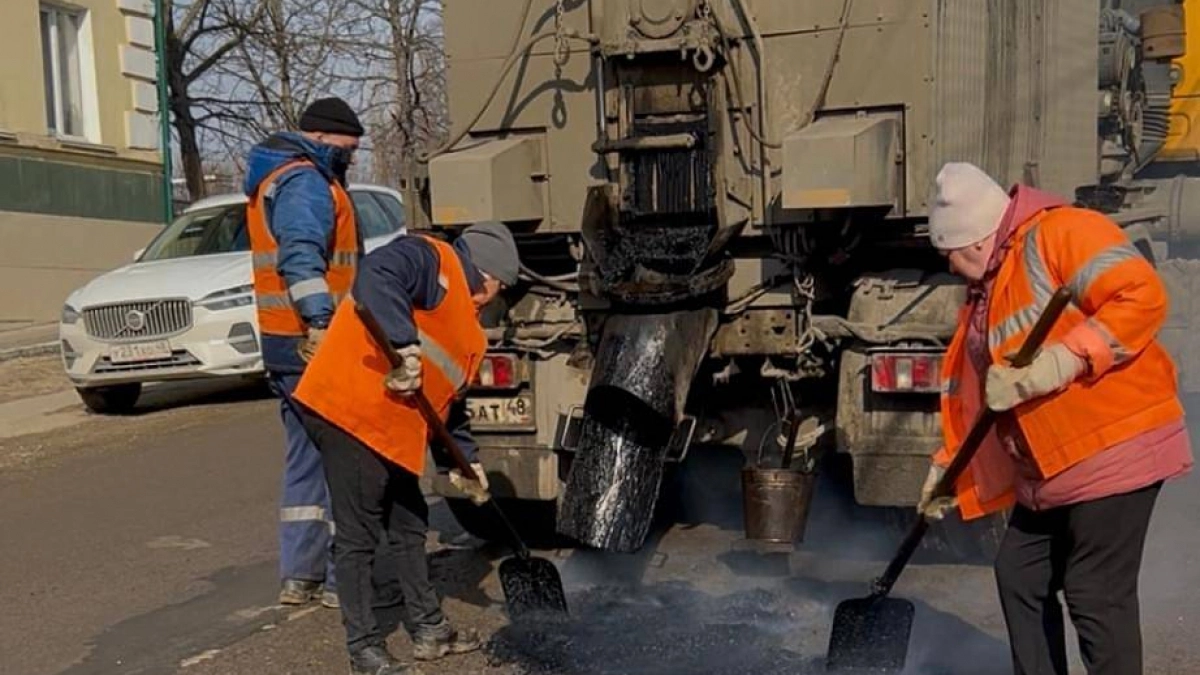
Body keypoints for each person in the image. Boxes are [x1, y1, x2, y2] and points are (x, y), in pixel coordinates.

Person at [916, 162, 1194, 675]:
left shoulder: (1063, 231)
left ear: (975, 240)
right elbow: (986, 396)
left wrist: (1060, 361)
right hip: (1051, 466)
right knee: (1019, 574)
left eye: (948, 253)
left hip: (1114, 444)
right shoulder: (988, 286)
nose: (949, 267)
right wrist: (950, 468)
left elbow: (1141, 295)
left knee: (1094, 591)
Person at [292, 223, 520, 675]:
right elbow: (375, 275)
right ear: (490, 277)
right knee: (359, 536)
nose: (496, 298)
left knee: (410, 521)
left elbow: (448, 407)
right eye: (500, 287)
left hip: (392, 429)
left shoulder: (472, 337)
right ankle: (364, 649)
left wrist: (463, 460)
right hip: (348, 411)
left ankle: (429, 628)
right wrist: (404, 344)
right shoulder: (432, 259)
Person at [245, 96, 365, 608]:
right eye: (348, 150)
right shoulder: (305, 183)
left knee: (305, 458)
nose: (350, 160)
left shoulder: (272, 178)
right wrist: (320, 322)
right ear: (321, 139)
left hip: (281, 343)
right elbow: (300, 257)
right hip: (317, 343)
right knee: (346, 458)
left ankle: (301, 576)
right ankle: (344, 579)